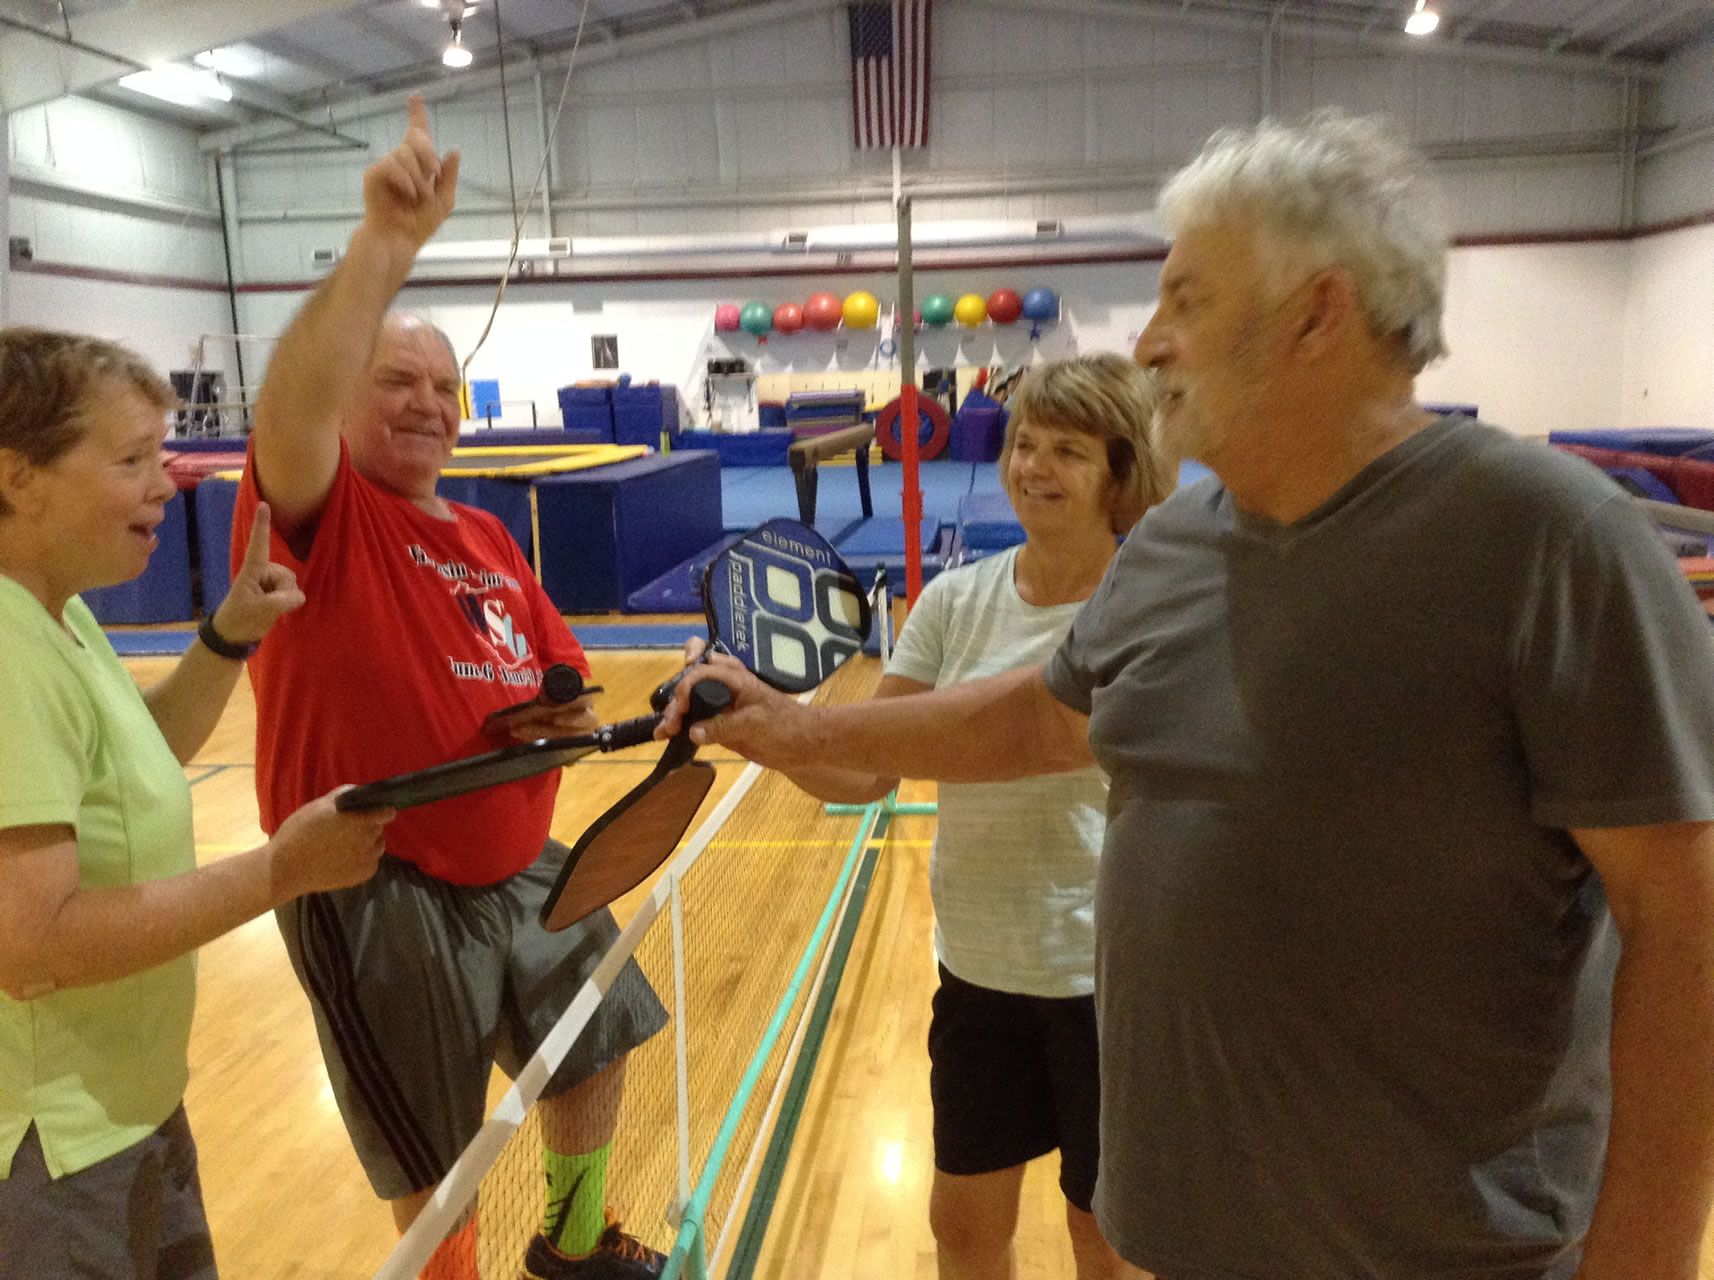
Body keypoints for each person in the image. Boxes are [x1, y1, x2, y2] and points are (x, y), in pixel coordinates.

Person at [662, 110, 1714, 1280]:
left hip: (1436, 1253)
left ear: (1317, 312)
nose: (1150, 340)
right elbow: (1045, 719)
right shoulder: (1174, 544)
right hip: (1195, 1238)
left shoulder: (1549, 540)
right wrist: (795, 725)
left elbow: (1686, 922)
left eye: (1185, 300)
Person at [236, 97, 668, 1280]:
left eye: (443, 384)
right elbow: (286, 409)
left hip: (517, 854)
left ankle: (572, 1244)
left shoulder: (483, 531)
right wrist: (385, 250)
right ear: (343, 396)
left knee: (597, 1035)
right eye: (394, 379)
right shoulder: (322, 513)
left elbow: (548, 668)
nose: (425, 401)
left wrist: (554, 709)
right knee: (440, 1154)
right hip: (379, 882)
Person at [751, 355, 1167, 1278]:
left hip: (1109, 981)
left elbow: (1038, 735)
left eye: (1068, 450)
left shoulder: (1151, 607)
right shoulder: (952, 602)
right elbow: (867, 772)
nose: (1034, 468)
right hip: (979, 971)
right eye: (1023, 444)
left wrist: (797, 733)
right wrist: (769, 738)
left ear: (1121, 474)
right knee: (963, 1229)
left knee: (1105, 1238)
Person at [0, 327, 392, 1278]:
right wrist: (279, 872)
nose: (165, 485)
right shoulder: (8, 652)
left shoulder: (58, 612)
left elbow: (148, 754)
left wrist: (227, 635)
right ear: (18, 477)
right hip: (51, 1150)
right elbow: (34, 942)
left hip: (129, 1109)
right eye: (131, 460)